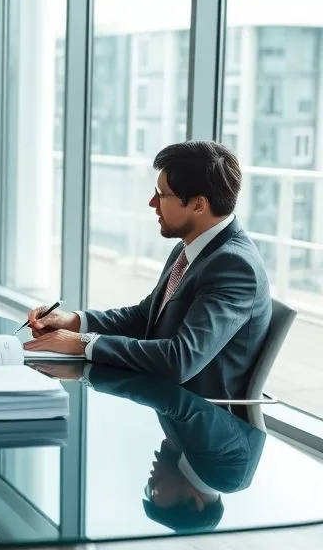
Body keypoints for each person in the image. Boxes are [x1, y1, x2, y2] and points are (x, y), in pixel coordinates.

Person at [23, 140, 272, 400]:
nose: (152, 203)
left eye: (162, 195)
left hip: (205, 421)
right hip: (164, 402)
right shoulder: (190, 249)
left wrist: (82, 343)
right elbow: (146, 318)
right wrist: (73, 322)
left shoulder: (234, 266)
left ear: (199, 205)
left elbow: (181, 359)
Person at [73, 365, 265, 533]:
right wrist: (86, 374)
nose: (150, 480)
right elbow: (172, 399)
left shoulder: (189, 461)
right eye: (154, 492)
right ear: (195, 503)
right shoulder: (229, 475)